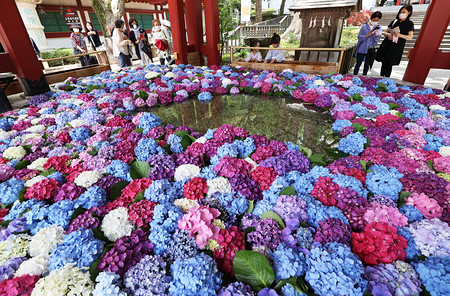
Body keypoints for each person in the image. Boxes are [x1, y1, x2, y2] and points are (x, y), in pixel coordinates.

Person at [375, 5, 414, 77]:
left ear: (409, 12)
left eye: (404, 12)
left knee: (389, 64)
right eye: (400, 12)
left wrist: (399, 35)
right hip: (387, 44)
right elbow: (385, 32)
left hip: (397, 46)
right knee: (384, 62)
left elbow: (410, 36)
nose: (401, 13)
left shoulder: (410, 24)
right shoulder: (394, 21)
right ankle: (380, 78)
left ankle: (386, 80)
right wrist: (388, 34)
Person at [353, 11, 383, 76]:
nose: (375, 21)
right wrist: (367, 35)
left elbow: (377, 40)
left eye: (377, 20)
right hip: (362, 48)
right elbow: (359, 37)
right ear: (371, 18)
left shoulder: (379, 27)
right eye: (374, 20)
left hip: (370, 49)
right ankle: (354, 76)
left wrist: (376, 36)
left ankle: (364, 78)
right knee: (358, 63)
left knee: (367, 65)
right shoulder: (364, 26)